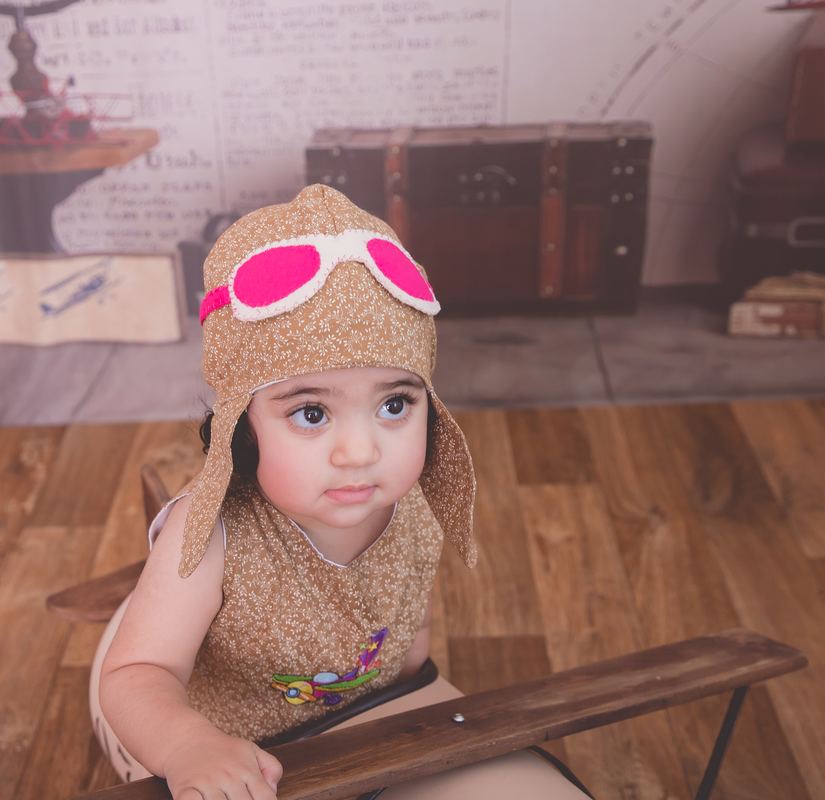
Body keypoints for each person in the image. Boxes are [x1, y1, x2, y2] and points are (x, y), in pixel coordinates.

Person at [90, 185, 590, 799]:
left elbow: (409, 630)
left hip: (367, 722)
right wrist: (187, 746)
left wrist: (422, 710)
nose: (360, 453)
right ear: (243, 427)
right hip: (241, 749)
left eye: (394, 404)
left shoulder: (410, 506)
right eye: (311, 414)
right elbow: (135, 672)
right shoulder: (210, 535)